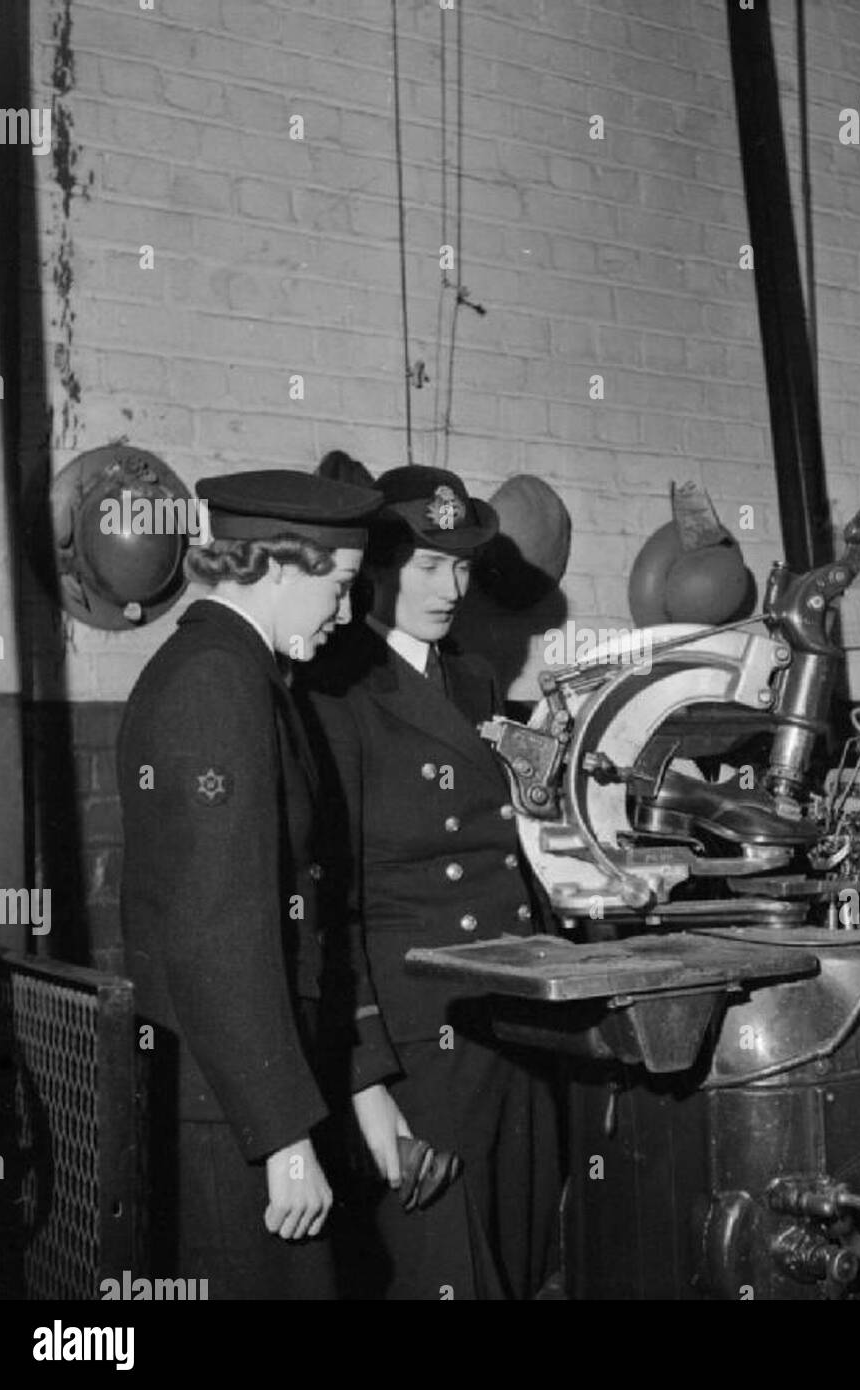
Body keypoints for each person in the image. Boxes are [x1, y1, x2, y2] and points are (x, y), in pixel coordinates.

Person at [118, 469, 410, 1300]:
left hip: (246, 1087)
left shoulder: (237, 669)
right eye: (341, 587)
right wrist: (284, 1139)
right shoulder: (219, 682)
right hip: (237, 1103)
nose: (346, 613)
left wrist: (356, 1082)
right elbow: (216, 930)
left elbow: (299, 914)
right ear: (280, 568)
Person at [300, 464, 559, 1301]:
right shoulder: (334, 688)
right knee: (443, 1273)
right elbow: (328, 907)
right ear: (374, 567)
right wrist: (367, 1079)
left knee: (519, 1258)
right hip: (421, 1040)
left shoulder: (475, 679)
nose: (450, 588)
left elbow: (506, 847)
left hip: (508, 1018)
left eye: (461, 566)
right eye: (425, 566)